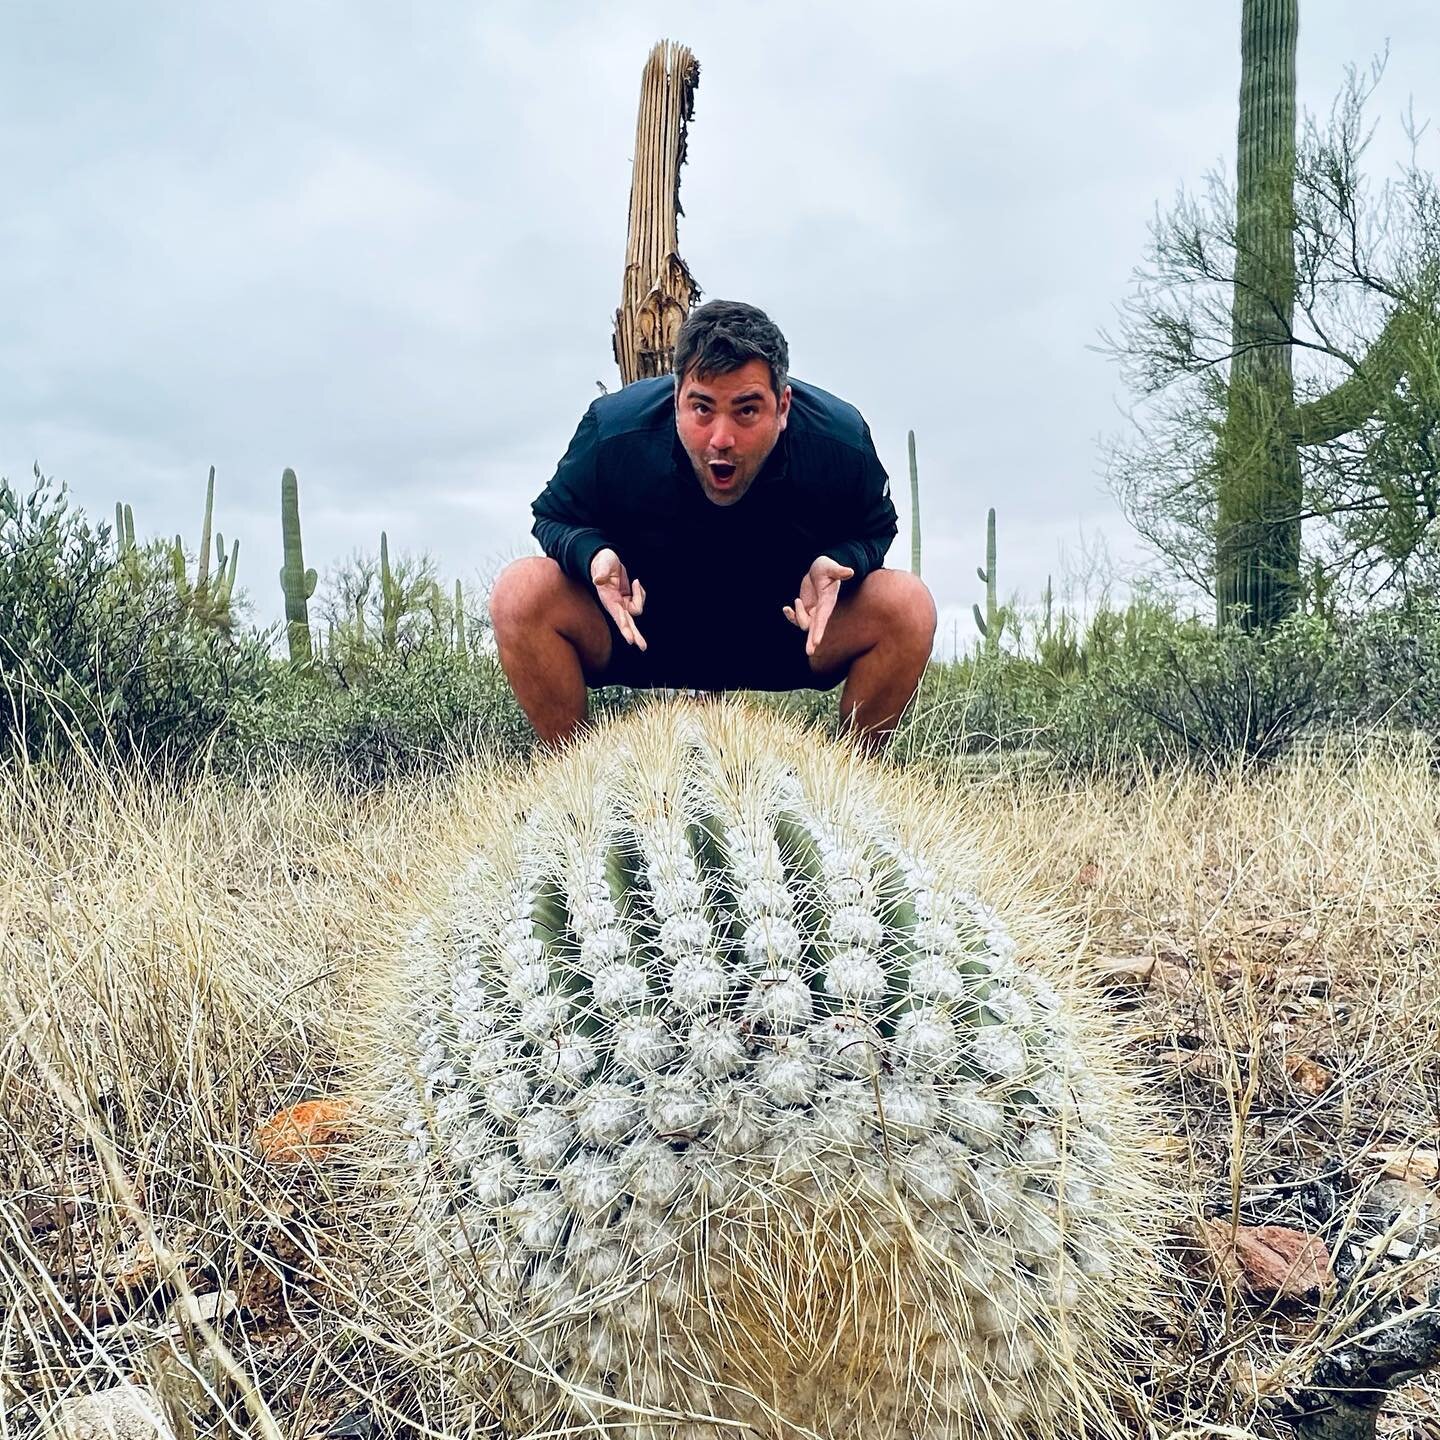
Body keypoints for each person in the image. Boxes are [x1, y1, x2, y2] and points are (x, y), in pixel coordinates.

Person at [489, 300, 937, 750]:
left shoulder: (839, 440)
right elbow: (553, 516)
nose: (721, 438)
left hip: (786, 632)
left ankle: (845, 796)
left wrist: (841, 562)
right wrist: (593, 555)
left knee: (908, 606)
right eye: (702, 408)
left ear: (782, 407)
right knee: (520, 592)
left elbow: (876, 527)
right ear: (677, 396)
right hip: (644, 628)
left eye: (746, 411)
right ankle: (579, 793)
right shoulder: (613, 429)